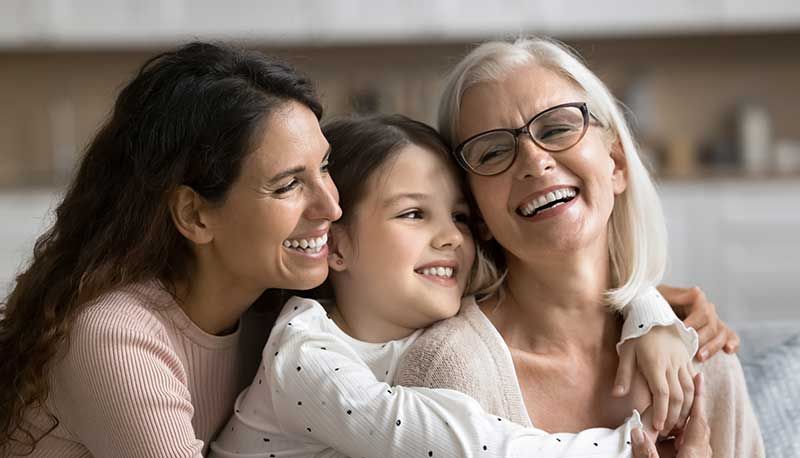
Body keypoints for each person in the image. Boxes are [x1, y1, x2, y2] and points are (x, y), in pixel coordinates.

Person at [210, 114, 712, 458]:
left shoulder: (442, 326)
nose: (451, 237)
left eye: (460, 216)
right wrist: (631, 444)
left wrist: (649, 313)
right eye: (413, 214)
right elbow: (465, 446)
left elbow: (566, 292)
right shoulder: (302, 360)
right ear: (334, 247)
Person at [395, 37, 764, 457]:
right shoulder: (446, 373)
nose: (534, 161)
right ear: (475, 212)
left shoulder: (704, 360)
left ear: (617, 165)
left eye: (556, 128)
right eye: (493, 151)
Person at [0, 42, 341, 457]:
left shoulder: (276, 315)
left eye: (324, 167)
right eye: (288, 185)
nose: (331, 206)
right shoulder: (115, 337)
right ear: (195, 214)